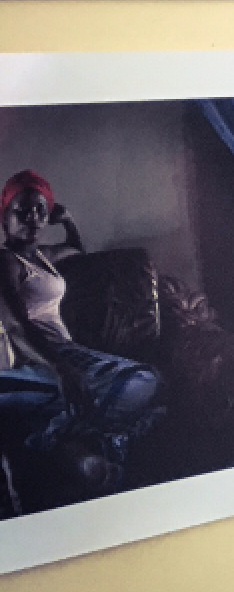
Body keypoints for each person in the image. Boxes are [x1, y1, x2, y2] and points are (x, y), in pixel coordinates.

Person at [0, 170, 162, 496]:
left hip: (65, 352)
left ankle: (62, 435)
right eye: (22, 210)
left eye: (40, 210)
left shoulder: (43, 256)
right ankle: (95, 436)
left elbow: (76, 249)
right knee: (142, 380)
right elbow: (16, 326)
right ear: (5, 216)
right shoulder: (6, 260)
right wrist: (60, 368)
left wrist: (67, 219)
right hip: (38, 357)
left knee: (146, 380)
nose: (33, 217)